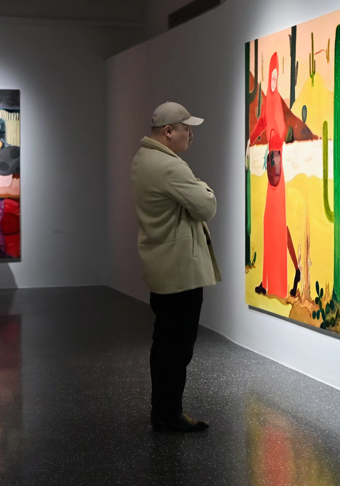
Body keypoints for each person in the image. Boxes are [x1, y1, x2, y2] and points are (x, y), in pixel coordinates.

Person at [130, 101, 221, 433]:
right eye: (186, 128)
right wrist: (202, 185)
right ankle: (169, 415)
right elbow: (207, 206)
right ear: (168, 131)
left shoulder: (142, 158)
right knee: (178, 348)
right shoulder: (171, 167)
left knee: (164, 342)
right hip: (181, 271)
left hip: (162, 266)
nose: (191, 134)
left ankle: (163, 410)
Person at [248, 52, 300, 299]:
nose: (274, 79)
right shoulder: (269, 101)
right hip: (272, 169)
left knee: (276, 224)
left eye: (277, 75)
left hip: (276, 172)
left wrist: (273, 141)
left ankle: (279, 281)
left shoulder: (277, 101)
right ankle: (267, 281)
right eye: (272, 75)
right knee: (270, 224)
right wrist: (250, 140)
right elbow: (262, 122)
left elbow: (278, 130)